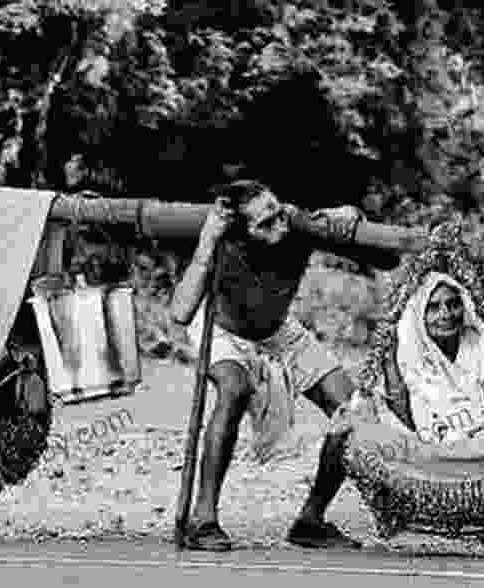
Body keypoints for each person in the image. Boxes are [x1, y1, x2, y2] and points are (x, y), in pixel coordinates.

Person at [170, 179, 428, 551]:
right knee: (235, 388)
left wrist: (352, 221)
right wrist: (207, 241)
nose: (280, 225)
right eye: (266, 223)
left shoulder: (298, 226)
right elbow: (180, 313)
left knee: (353, 410)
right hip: (225, 332)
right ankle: (203, 518)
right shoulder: (224, 241)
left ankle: (310, 520)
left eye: (277, 212)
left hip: (279, 331)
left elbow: (387, 259)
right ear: (242, 234)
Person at [393, 272, 484, 444]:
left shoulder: (479, 343)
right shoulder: (412, 357)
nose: (445, 314)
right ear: (419, 315)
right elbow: (420, 425)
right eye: (433, 307)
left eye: (453, 304)